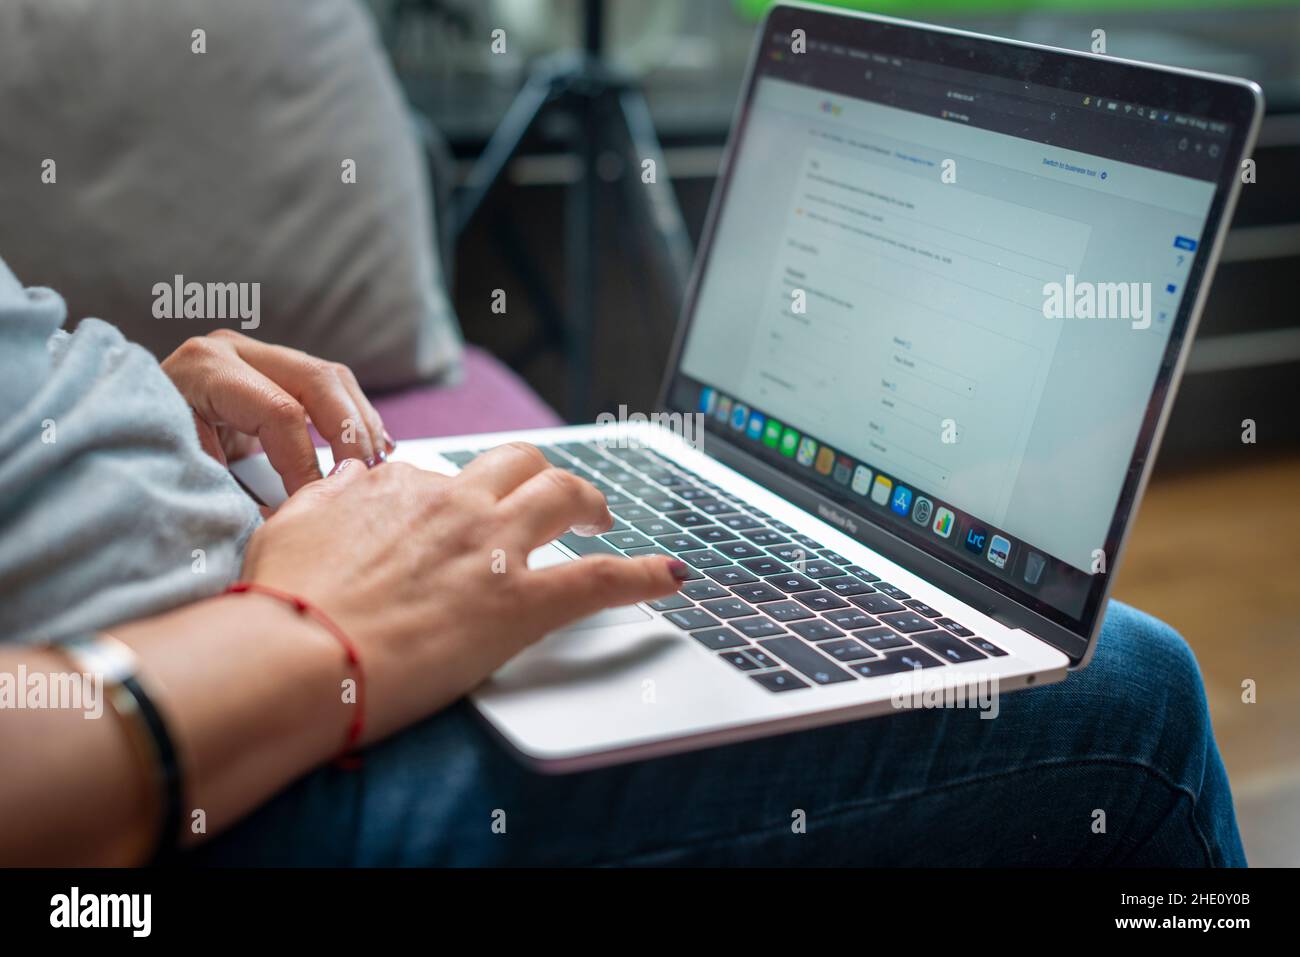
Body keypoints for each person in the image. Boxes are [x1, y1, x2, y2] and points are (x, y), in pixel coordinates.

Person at [0, 257, 1245, 866]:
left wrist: (118, 426)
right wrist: (309, 627)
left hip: (207, 590)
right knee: (1132, 699)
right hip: (219, 754)